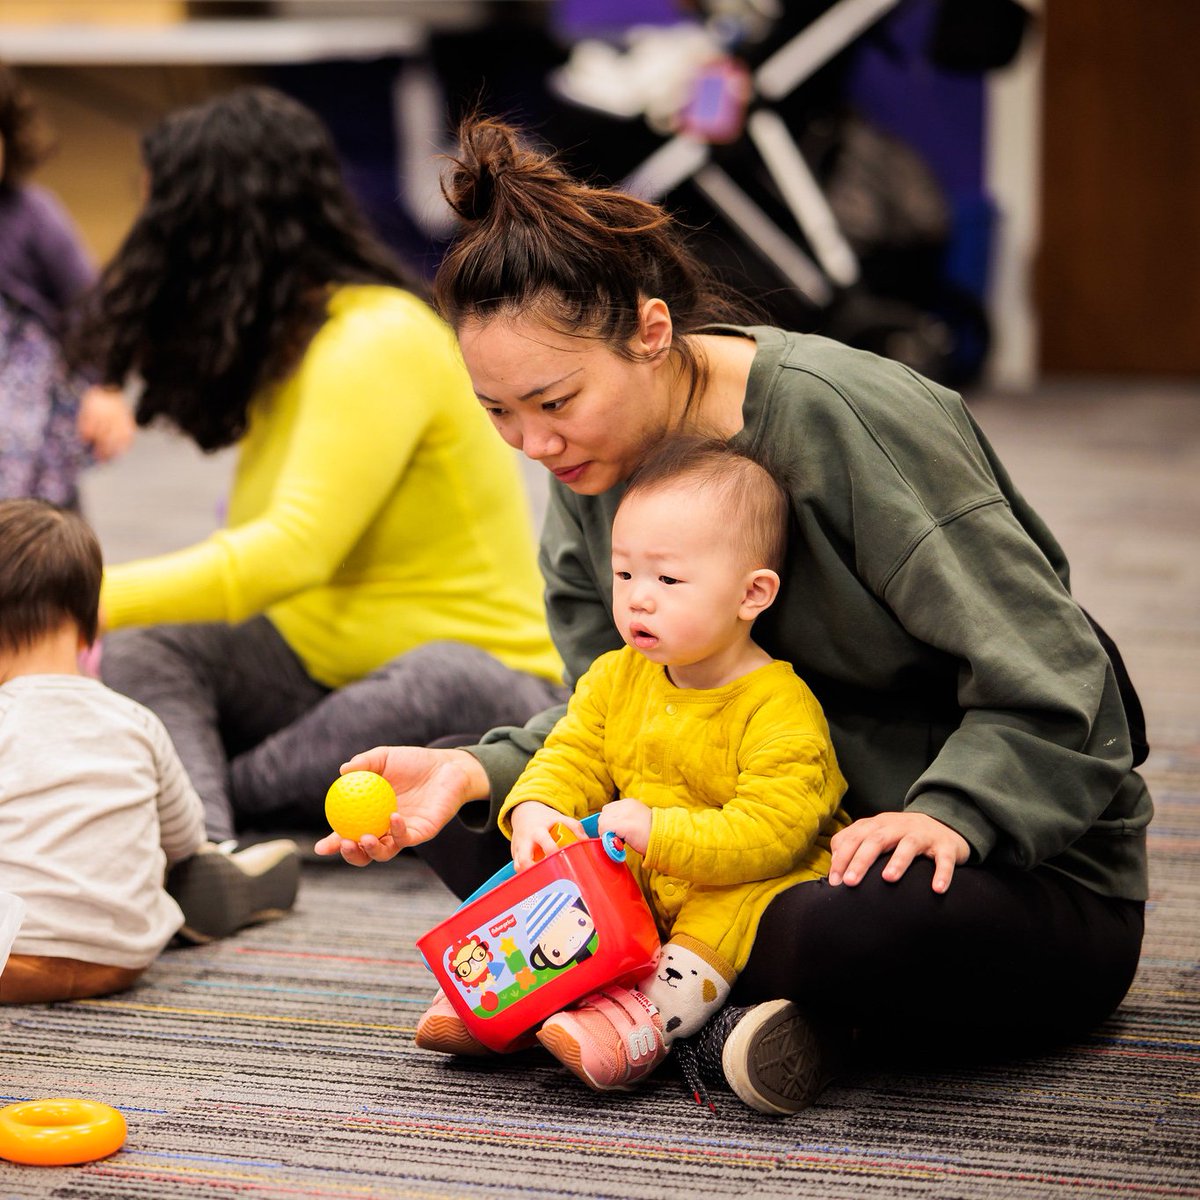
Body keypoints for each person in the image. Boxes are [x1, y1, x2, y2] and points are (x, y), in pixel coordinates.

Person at [318, 115, 1151, 1113]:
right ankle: (712, 1010)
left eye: (554, 400)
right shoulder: (592, 458)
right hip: (723, 846)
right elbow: (618, 706)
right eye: (499, 411)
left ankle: (622, 995)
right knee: (468, 799)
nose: (531, 443)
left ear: (653, 331)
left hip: (983, 866)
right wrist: (478, 772)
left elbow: (1064, 682)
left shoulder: (851, 419)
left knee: (842, 924)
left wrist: (952, 815)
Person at [70, 89, 565, 847]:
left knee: (444, 679)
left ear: (223, 230)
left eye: (163, 222)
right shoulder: (286, 346)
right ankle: (207, 845)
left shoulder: (377, 338)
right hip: (312, 676)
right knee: (151, 645)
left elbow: (290, 550)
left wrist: (76, 601)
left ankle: (191, 825)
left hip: (478, 685)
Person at [414, 436, 849, 1111]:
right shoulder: (618, 675)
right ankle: (520, 1004)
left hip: (732, 880)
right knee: (561, 882)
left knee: (721, 915)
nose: (638, 600)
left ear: (752, 594)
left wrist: (660, 830)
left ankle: (640, 1027)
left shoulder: (780, 707)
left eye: (667, 581)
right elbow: (572, 752)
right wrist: (536, 808)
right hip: (637, 864)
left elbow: (778, 830)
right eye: (624, 576)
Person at [0, 499, 300, 1005]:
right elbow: (184, 839)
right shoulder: (138, 721)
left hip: (12, 960)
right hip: (121, 961)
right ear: (96, 622)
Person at [0, 61, 134, 506]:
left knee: (40, 552)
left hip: (29, 446)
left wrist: (107, 387)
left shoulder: (32, 213)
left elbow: (91, 309)